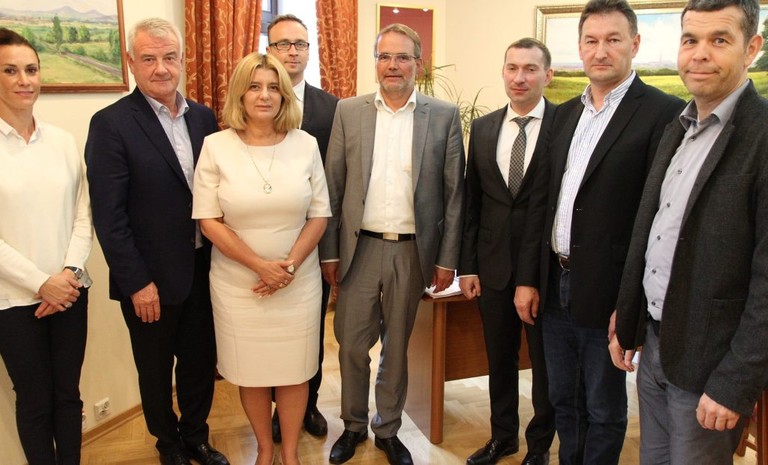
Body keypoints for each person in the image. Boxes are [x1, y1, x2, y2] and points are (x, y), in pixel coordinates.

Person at [513, 1, 684, 464]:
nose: (601, 51)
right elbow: (541, 202)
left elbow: (655, 218)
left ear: (635, 44)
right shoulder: (565, 113)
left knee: (604, 408)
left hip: (609, 290)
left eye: (613, 40)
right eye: (591, 41)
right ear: (580, 47)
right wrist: (528, 278)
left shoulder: (664, 113)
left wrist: (629, 303)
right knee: (563, 400)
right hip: (555, 283)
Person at [609, 0, 768, 463]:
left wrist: (734, 382)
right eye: (690, 40)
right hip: (656, 346)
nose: (700, 54)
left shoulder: (761, 136)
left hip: (710, 366)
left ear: (751, 48)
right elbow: (651, 231)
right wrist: (628, 314)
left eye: (719, 40)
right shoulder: (678, 127)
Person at [320, 23, 465, 465]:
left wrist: (447, 259)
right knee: (351, 344)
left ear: (418, 64)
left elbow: (454, 194)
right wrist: (330, 251)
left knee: (397, 347)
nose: (393, 65)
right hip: (359, 249)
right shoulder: (349, 111)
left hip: (411, 251)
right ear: (375, 63)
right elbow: (332, 186)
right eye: (385, 57)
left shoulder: (443, 116)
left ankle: (387, 429)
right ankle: (353, 425)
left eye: (403, 57)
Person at [85, 18, 228, 465]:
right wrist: (136, 283)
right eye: (149, 58)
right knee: (155, 370)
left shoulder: (203, 117)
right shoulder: (110, 124)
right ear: (132, 63)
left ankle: (197, 437)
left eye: (169, 57)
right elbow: (109, 217)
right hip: (149, 280)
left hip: (203, 269)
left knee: (199, 364)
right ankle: (168, 444)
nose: (161, 68)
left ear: (182, 60)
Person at [192, 52, 330, 465]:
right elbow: (208, 220)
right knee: (250, 372)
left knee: (294, 370)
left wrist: (287, 267)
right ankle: (265, 450)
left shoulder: (305, 144)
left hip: (298, 282)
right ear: (240, 93)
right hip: (239, 285)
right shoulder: (215, 146)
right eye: (254, 86)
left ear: (285, 95)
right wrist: (260, 266)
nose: (264, 95)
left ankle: (290, 453)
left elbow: (320, 214)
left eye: (273, 87)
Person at [459, 37, 556, 465]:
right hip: (493, 266)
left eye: (530, 69)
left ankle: (540, 445)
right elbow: (473, 202)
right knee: (499, 360)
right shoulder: (483, 129)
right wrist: (467, 266)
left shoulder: (565, 125)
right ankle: (503, 437)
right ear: (503, 72)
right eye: (513, 68)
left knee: (546, 365)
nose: (520, 77)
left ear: (547, 75)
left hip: (546, 270)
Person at [0, 27, 92, 465]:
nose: (25, 80)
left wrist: (68, 276)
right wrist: (41, 283)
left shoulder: (62, 141)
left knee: (68, 395)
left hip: (70, 292)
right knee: (35, 401)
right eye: (10, 71)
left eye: (32, 69)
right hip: (13, 300)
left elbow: (82, 215)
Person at [266, 13, 338, 441]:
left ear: (310, 51)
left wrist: (331, 249)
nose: (292, 52)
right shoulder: (254, 101)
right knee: (272, 333)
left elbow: (337, 181)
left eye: (300, 44)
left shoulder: (333, 108)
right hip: (260, 244)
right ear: (269, 51)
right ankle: (276, 410)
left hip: (314, 240)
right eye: (283, 44)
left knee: (310, 330)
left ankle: (307, 404)